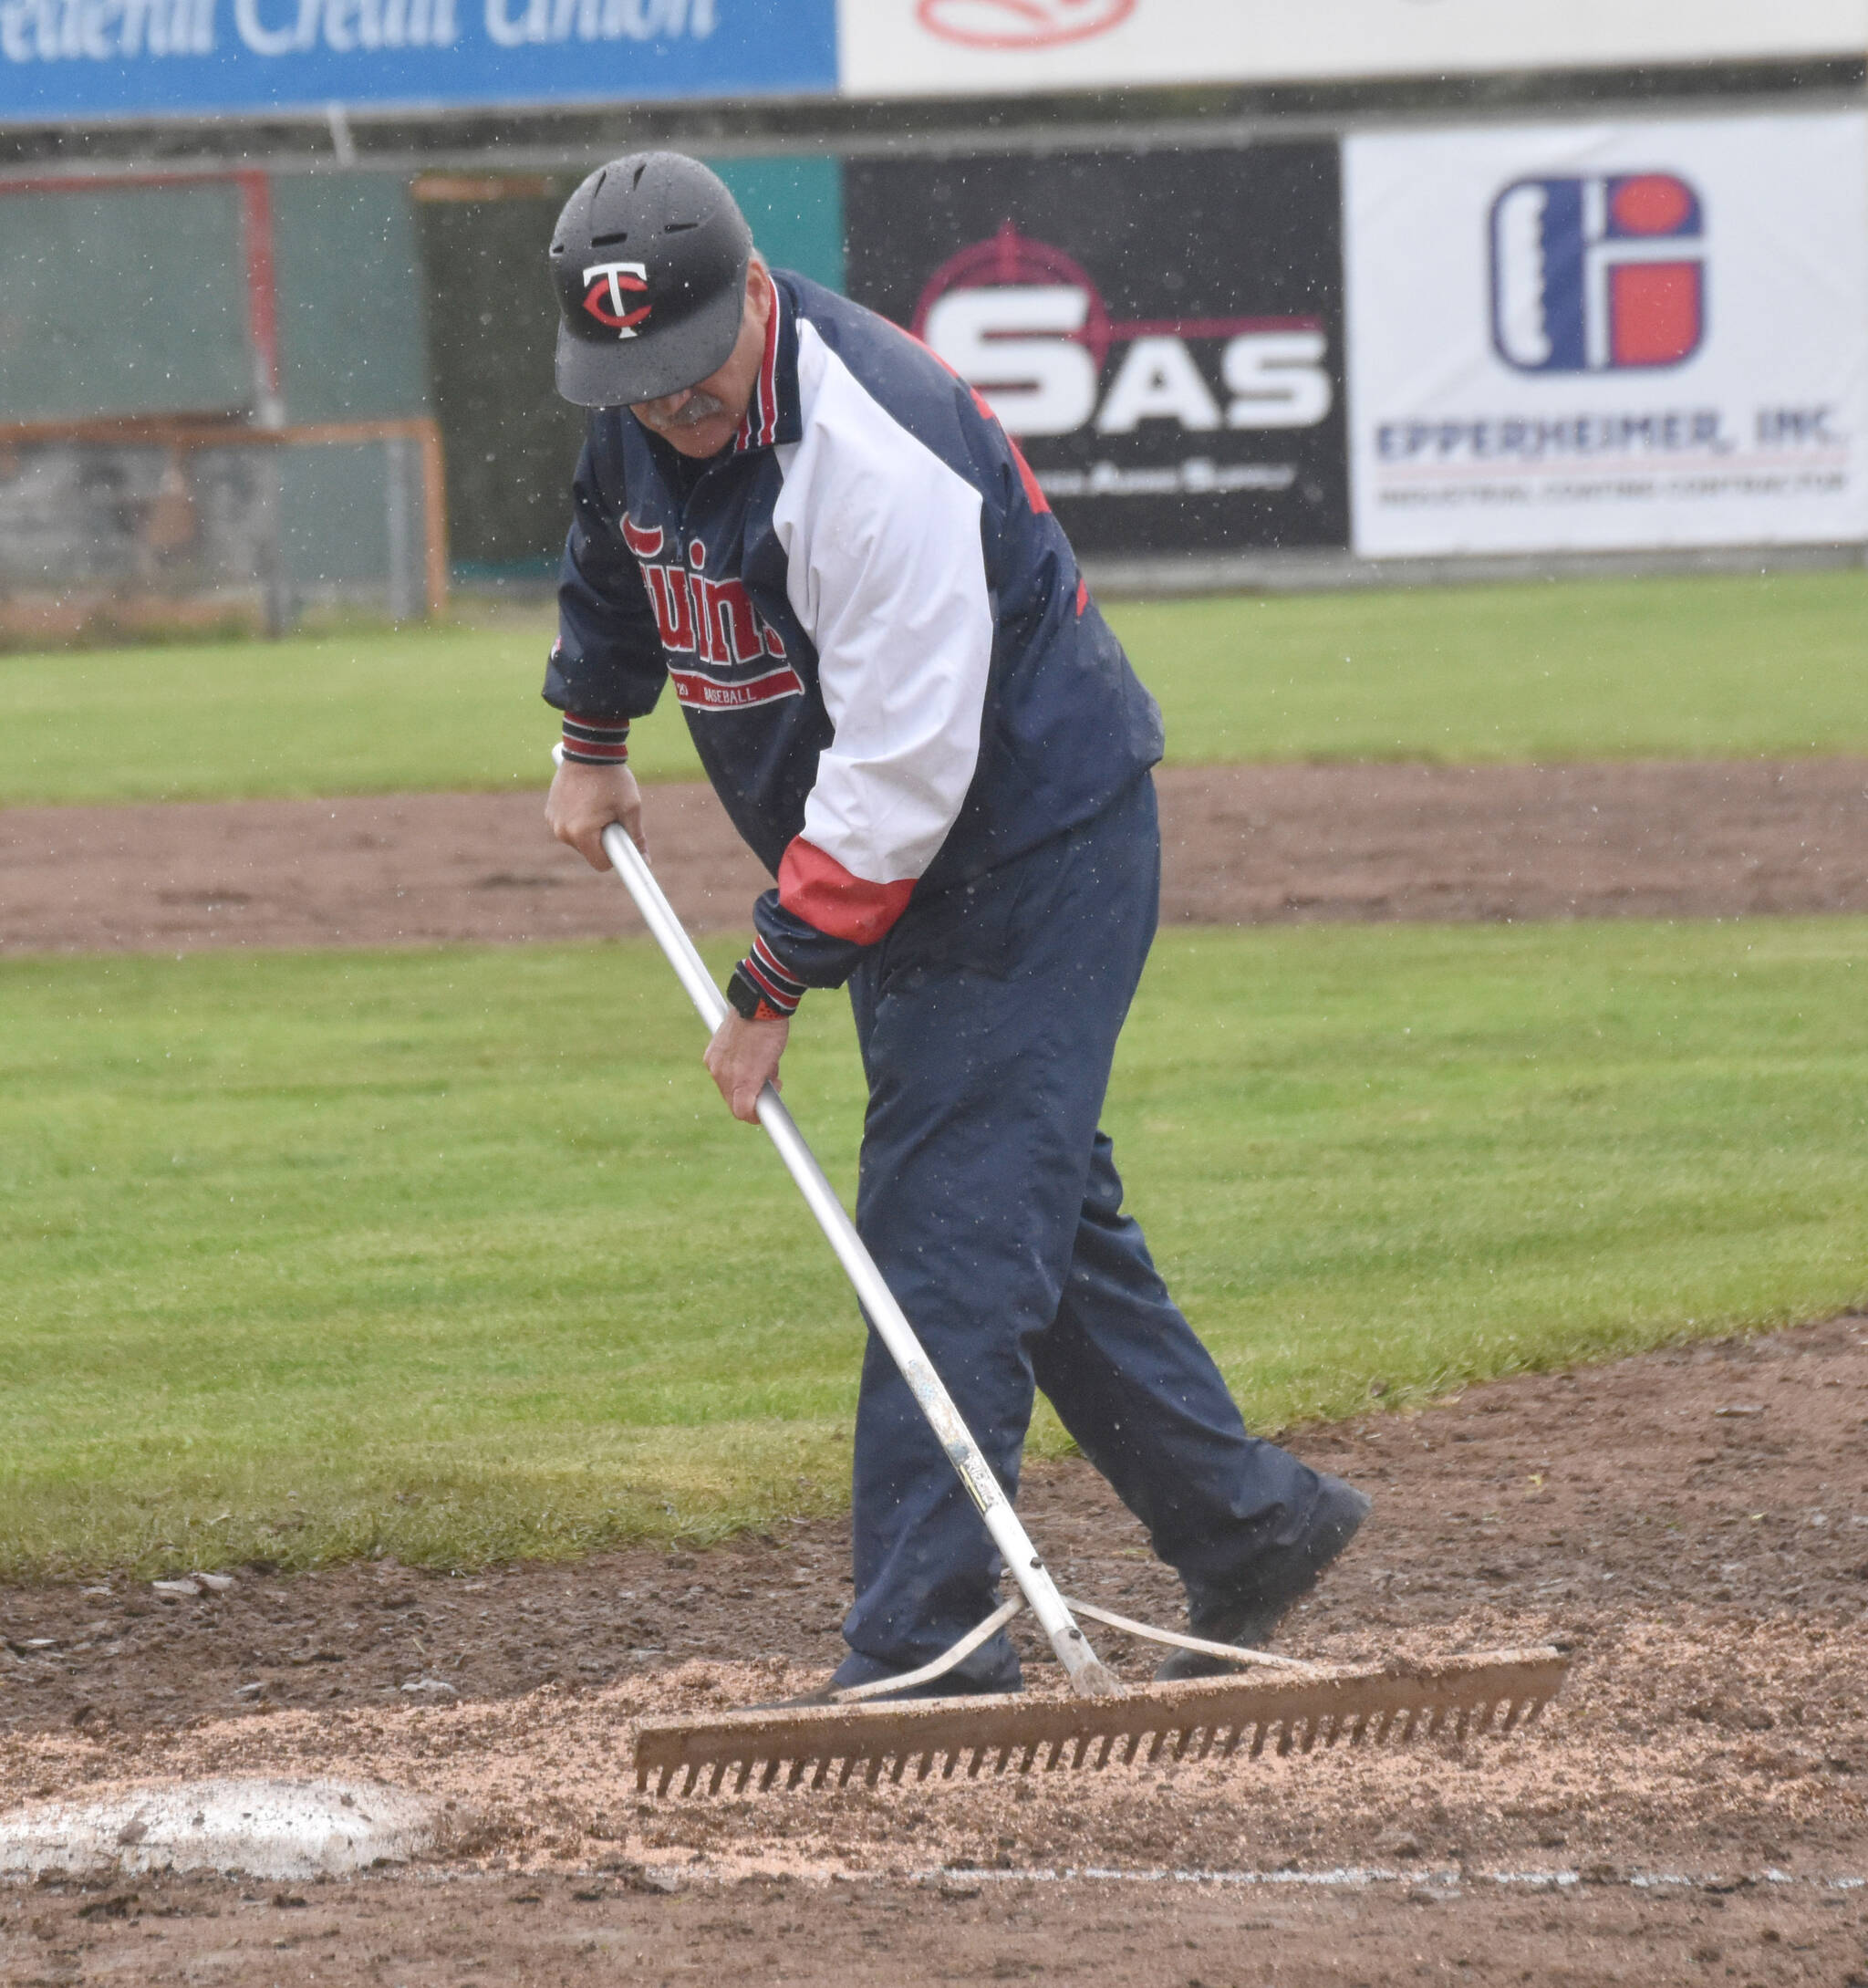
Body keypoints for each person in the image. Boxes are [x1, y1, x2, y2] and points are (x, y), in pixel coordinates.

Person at [541, 151, 1367, 1697]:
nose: (667, 408)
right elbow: (614, 548)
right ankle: (1248, 1526)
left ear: (756, 296)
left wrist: (771, 979)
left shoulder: (871, 452)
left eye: (686, 373)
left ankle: (926, 1639)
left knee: (948, 1232)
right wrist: (593, 733)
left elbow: (905, 771)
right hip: (906, 865)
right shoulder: (644, 399)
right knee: (1024, 1213)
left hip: (1031, 848)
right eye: (634, 382)